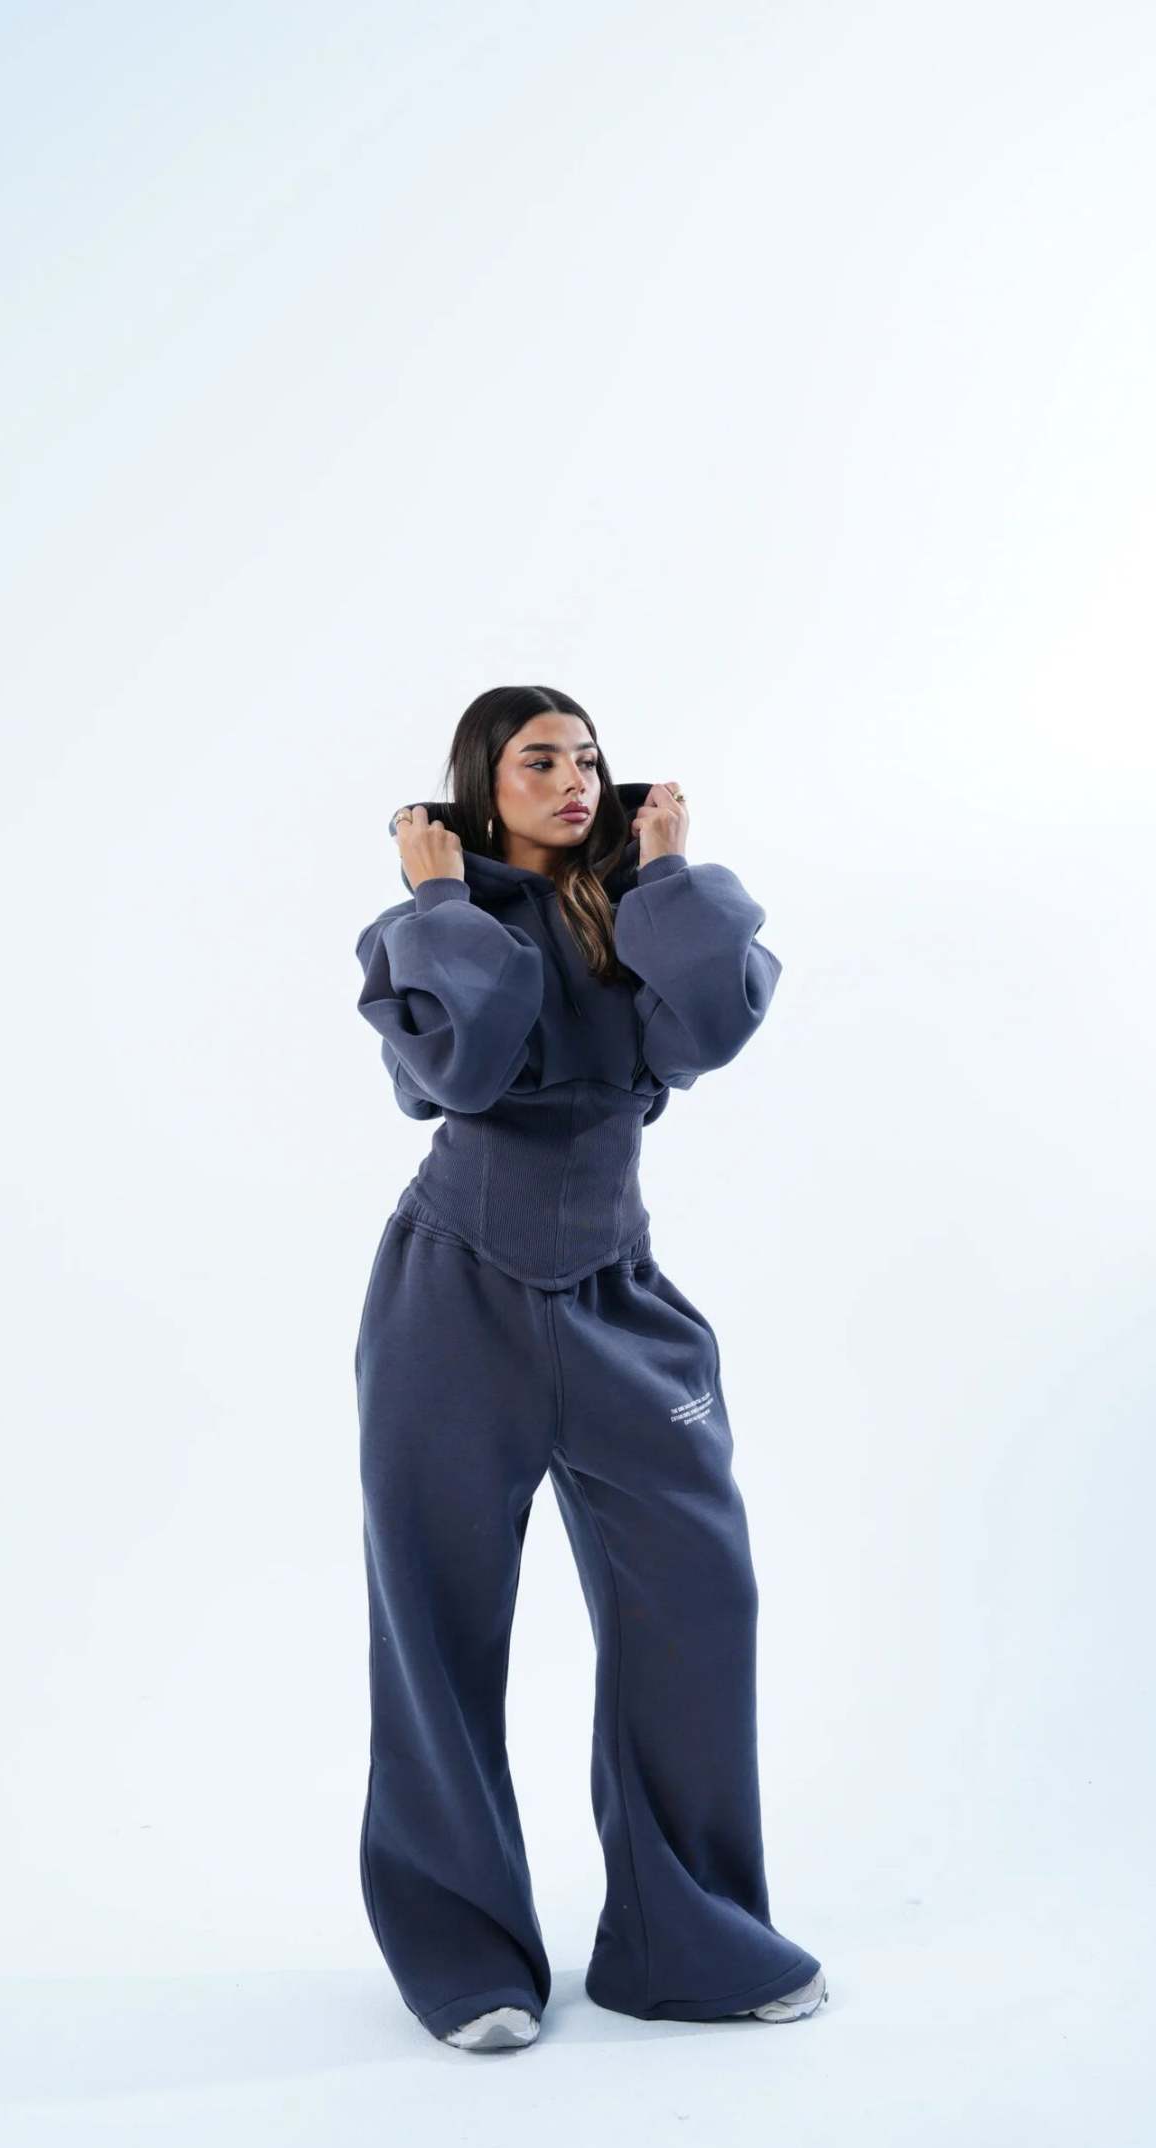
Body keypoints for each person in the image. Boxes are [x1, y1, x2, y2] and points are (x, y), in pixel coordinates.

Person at [352, 685, 829, 2051]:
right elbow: (465, 1067)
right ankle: (467, 1962)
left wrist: (666, 874)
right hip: (452, 1298)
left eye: (588, 758)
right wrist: (440, 899)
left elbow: (706, 1033)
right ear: (479, 785)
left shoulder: (633, 913)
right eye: (538, 760)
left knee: (697, 1597)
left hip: (622, 1299)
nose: (574, 778)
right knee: (437, 1623)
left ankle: (687, 1944)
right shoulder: (428, 926)